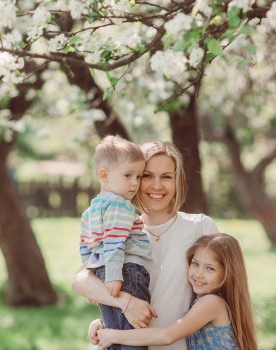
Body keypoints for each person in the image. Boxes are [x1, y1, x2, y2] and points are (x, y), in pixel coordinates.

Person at [72, 140, 219, 350]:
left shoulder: (201, 228)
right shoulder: (124, 228)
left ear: (177, 181)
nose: (157, 186)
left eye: (166, 177)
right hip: (122, 340)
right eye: (147, 176)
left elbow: (219, 298)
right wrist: (115, 314)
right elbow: (81, 281)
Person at [90, 233, 257, 350]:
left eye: (210, 269)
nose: (198, 273)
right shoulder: (205, 301)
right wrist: (105, 325)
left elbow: (167, 336)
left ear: (228, 273)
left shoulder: (212, 303)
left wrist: (112, 336)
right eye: (195, 263)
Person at [80, 135, 154, 350]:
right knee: (133, 336)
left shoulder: (91, 210)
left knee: (113, 334)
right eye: (128, 175)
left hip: (107, 273)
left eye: (139, 176)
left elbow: (86, 246)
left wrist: (94, 279)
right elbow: (114, 243)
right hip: (126, 272)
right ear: (104, 175)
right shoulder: (120, 205)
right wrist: (112, 277)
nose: (135, 183)